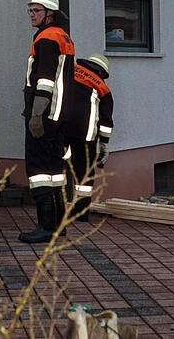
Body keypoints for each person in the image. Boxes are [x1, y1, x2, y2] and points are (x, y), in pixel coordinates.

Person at [19, 0, 75, 244]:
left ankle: (45, 226)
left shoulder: (47, 38)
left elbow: (45, 79)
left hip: (45, 115)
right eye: (30, 10)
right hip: (60, 115)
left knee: (39, 170)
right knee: (55, 171)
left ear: (49, 13)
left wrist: (36, 115)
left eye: (36, 10)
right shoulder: (63, 36)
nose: (31, 14)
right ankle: (58, 225)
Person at [60, 54, 115, 222]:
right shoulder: (103, 89)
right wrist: (104, 144)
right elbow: (105, 123)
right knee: (83, 175)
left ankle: (57, 210)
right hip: (85, 138)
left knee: (58, 169)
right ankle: (81, 214)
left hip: (60, 130)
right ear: (101, 72)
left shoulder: (69, 72)